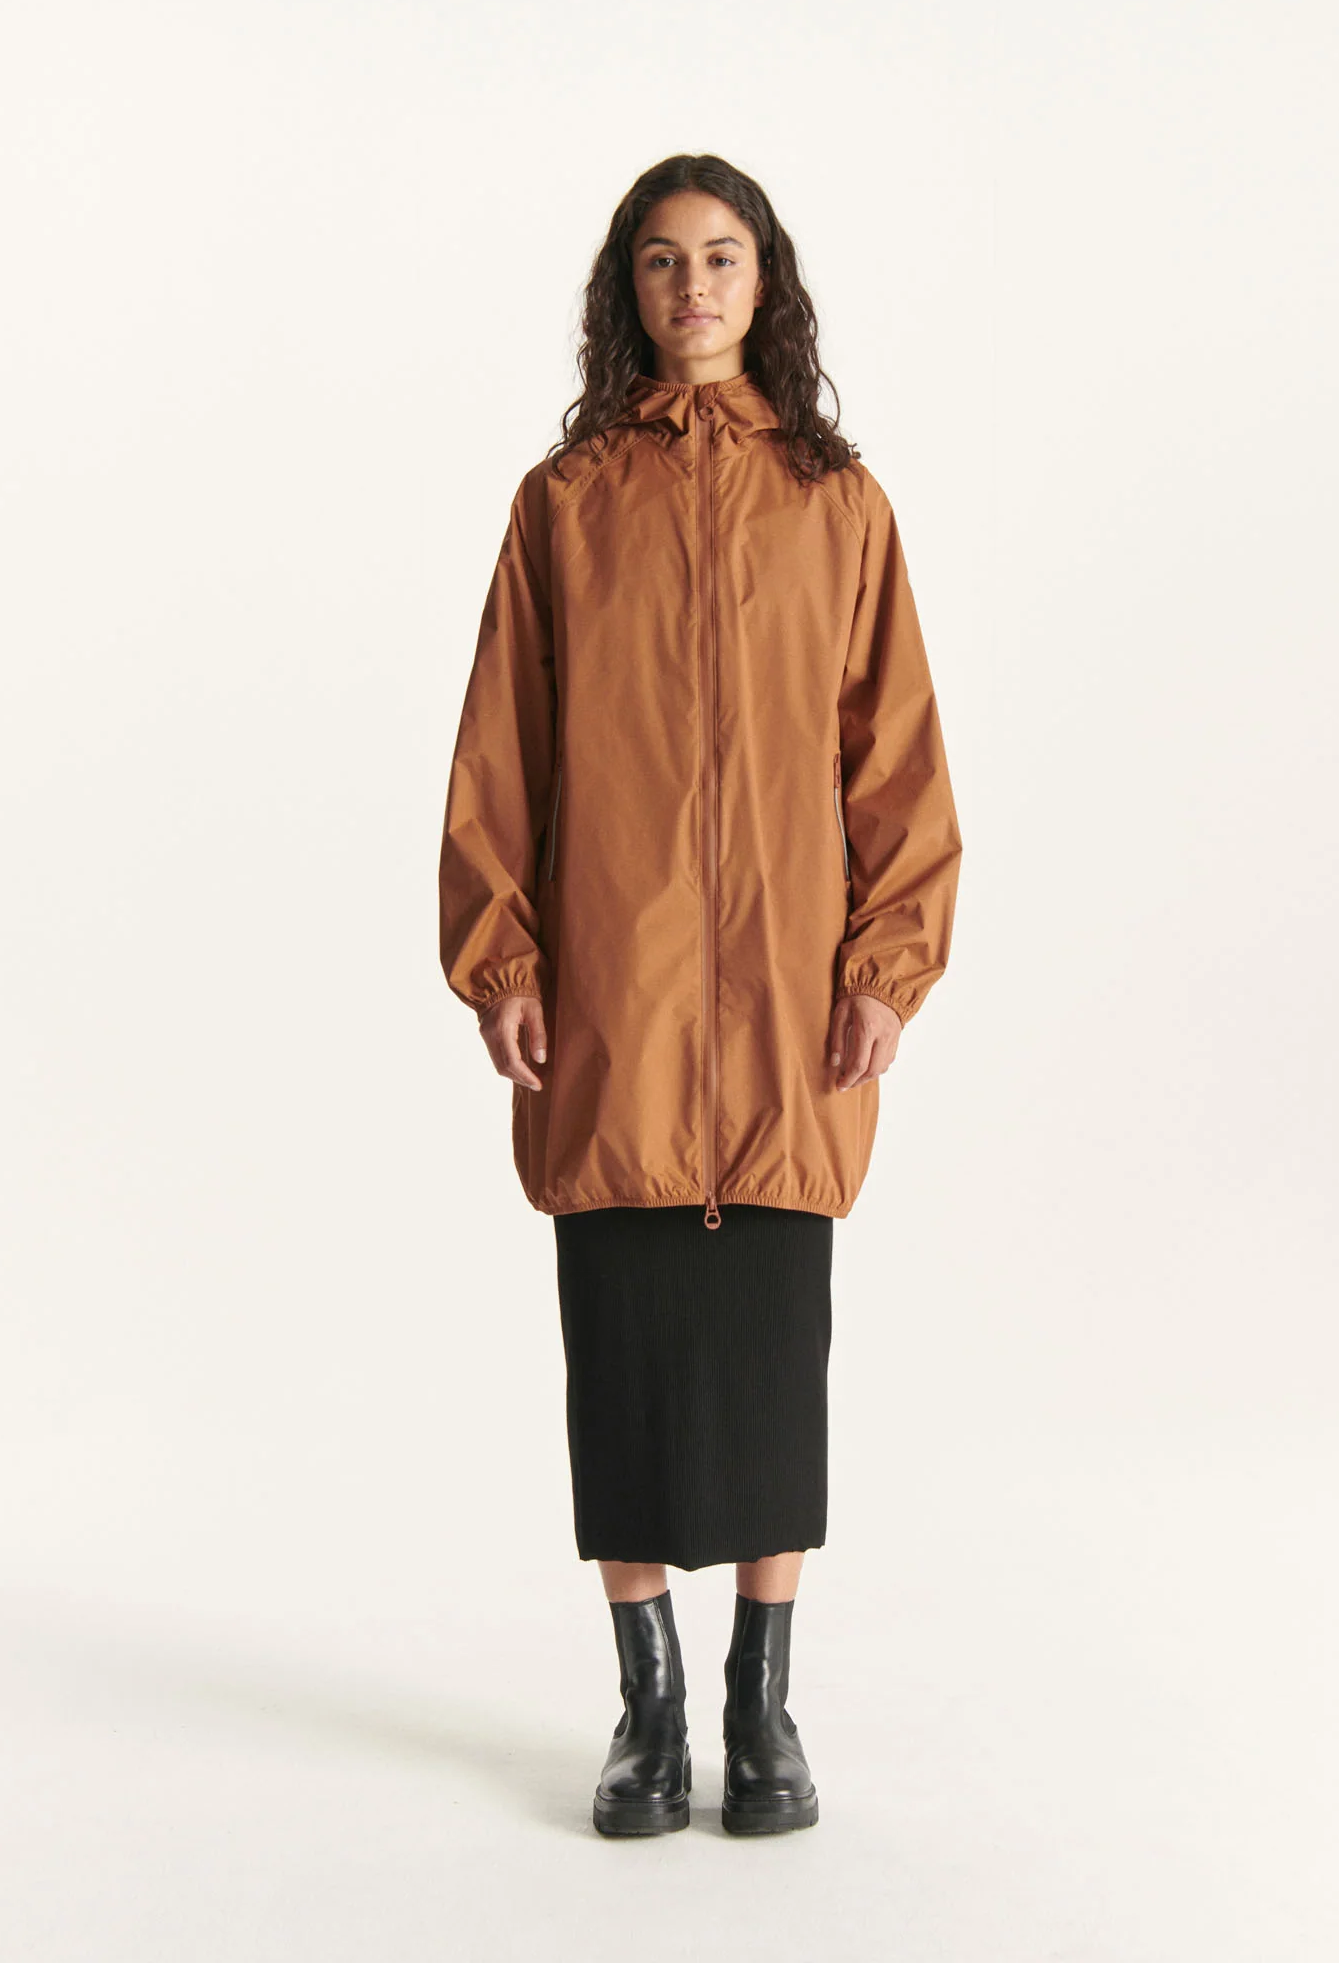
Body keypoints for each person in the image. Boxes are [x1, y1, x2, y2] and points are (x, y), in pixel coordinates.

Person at [438, 153, 963, 1836]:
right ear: (628, 288)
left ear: (765, 281)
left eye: (720, 257)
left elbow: (896, 760)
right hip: (619, 1000)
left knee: (772, 1366)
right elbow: (500, 754)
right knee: (623, 1356)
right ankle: (646, 1710)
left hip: (791, 1012)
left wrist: (885, 968)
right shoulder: (565, 502)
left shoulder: (837, 505)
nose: (692, 288)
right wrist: (503, 961)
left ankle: (762, 1704)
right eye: (662, 261)